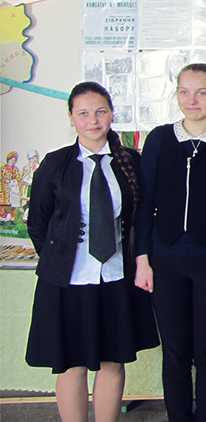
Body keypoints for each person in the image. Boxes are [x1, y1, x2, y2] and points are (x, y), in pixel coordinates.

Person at [25, 82, 159, 422]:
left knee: (112, 361)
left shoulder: (131, 161)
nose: (93, 120)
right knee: (71, 365)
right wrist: (60, 259)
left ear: (112, 114)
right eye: (83, 113)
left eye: (100, 111)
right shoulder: (55, 163)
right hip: (67, 281)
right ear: (71, 117)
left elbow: (142, 217)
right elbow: (37, 223)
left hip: (115, 277)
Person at [134, 64, 206, 422]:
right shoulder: (159, 140)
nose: (192, 100)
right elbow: (144, 203)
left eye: (201, 92)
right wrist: (142, 259)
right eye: (184, 92)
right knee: (176, 353)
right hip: (164, 261)